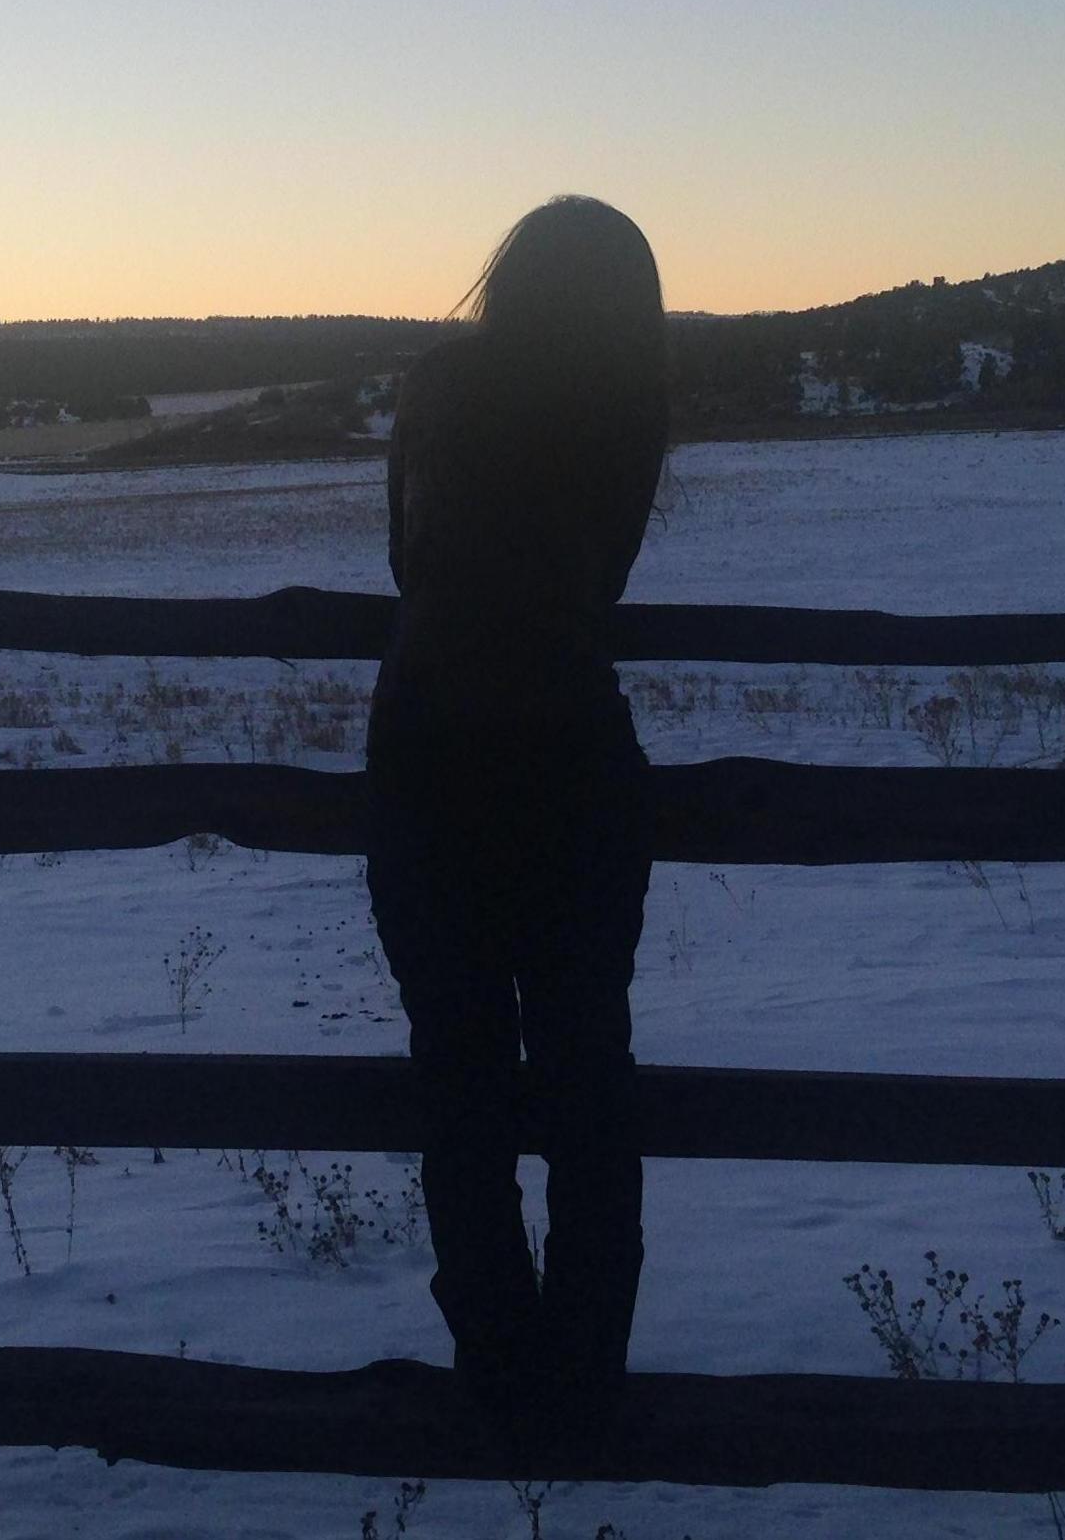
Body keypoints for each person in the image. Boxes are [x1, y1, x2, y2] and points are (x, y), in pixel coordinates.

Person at [365, 196, 671, 1422]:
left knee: (461, 1080)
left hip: (429, 753)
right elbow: (603, 584)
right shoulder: (624, 408)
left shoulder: (440, 390)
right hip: (573, 762)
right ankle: (587, 1370)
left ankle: (495, 1366)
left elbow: (409, 563)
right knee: (590, 1071)